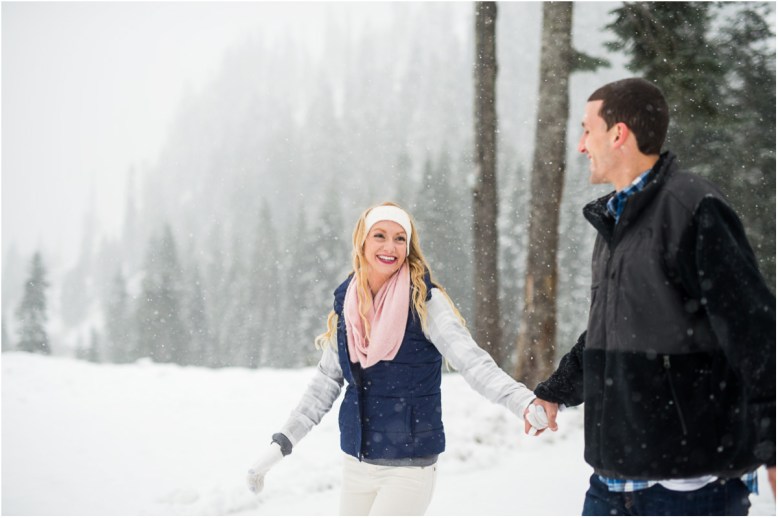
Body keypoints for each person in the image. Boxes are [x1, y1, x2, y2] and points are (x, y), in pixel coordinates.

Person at [524, 77, 776, 515]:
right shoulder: (614, 224)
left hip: (689, 491)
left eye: (588, 130)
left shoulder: (693, 207)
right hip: (611, 484)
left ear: (618, 133)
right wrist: (557, 390)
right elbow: (613, 328)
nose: (582, 145)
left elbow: (755, 332)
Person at [247, 202, 538, 515]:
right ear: (362, 241)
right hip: (356, 461)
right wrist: (282, 443)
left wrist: (521, 400)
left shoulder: (425, 301)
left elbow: (471, 361)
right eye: (380, 235)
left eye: (401, 238)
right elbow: (326, 381)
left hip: (409, 467)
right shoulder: (349, 303)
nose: (390, 246)